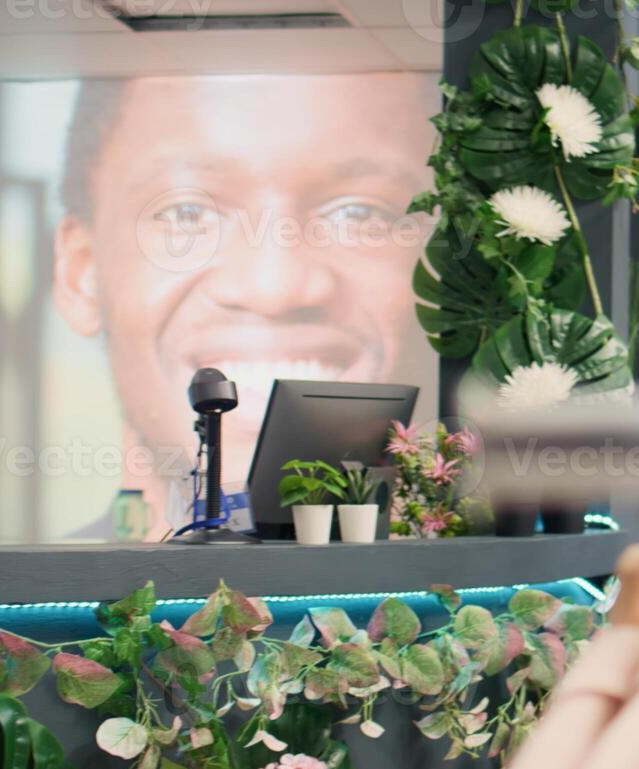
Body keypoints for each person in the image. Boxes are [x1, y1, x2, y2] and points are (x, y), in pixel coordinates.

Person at [51, 73, 435, 538]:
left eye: (359, 214)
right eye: (187, 213)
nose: (273, 288)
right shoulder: (34, 609)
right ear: (81, 272)